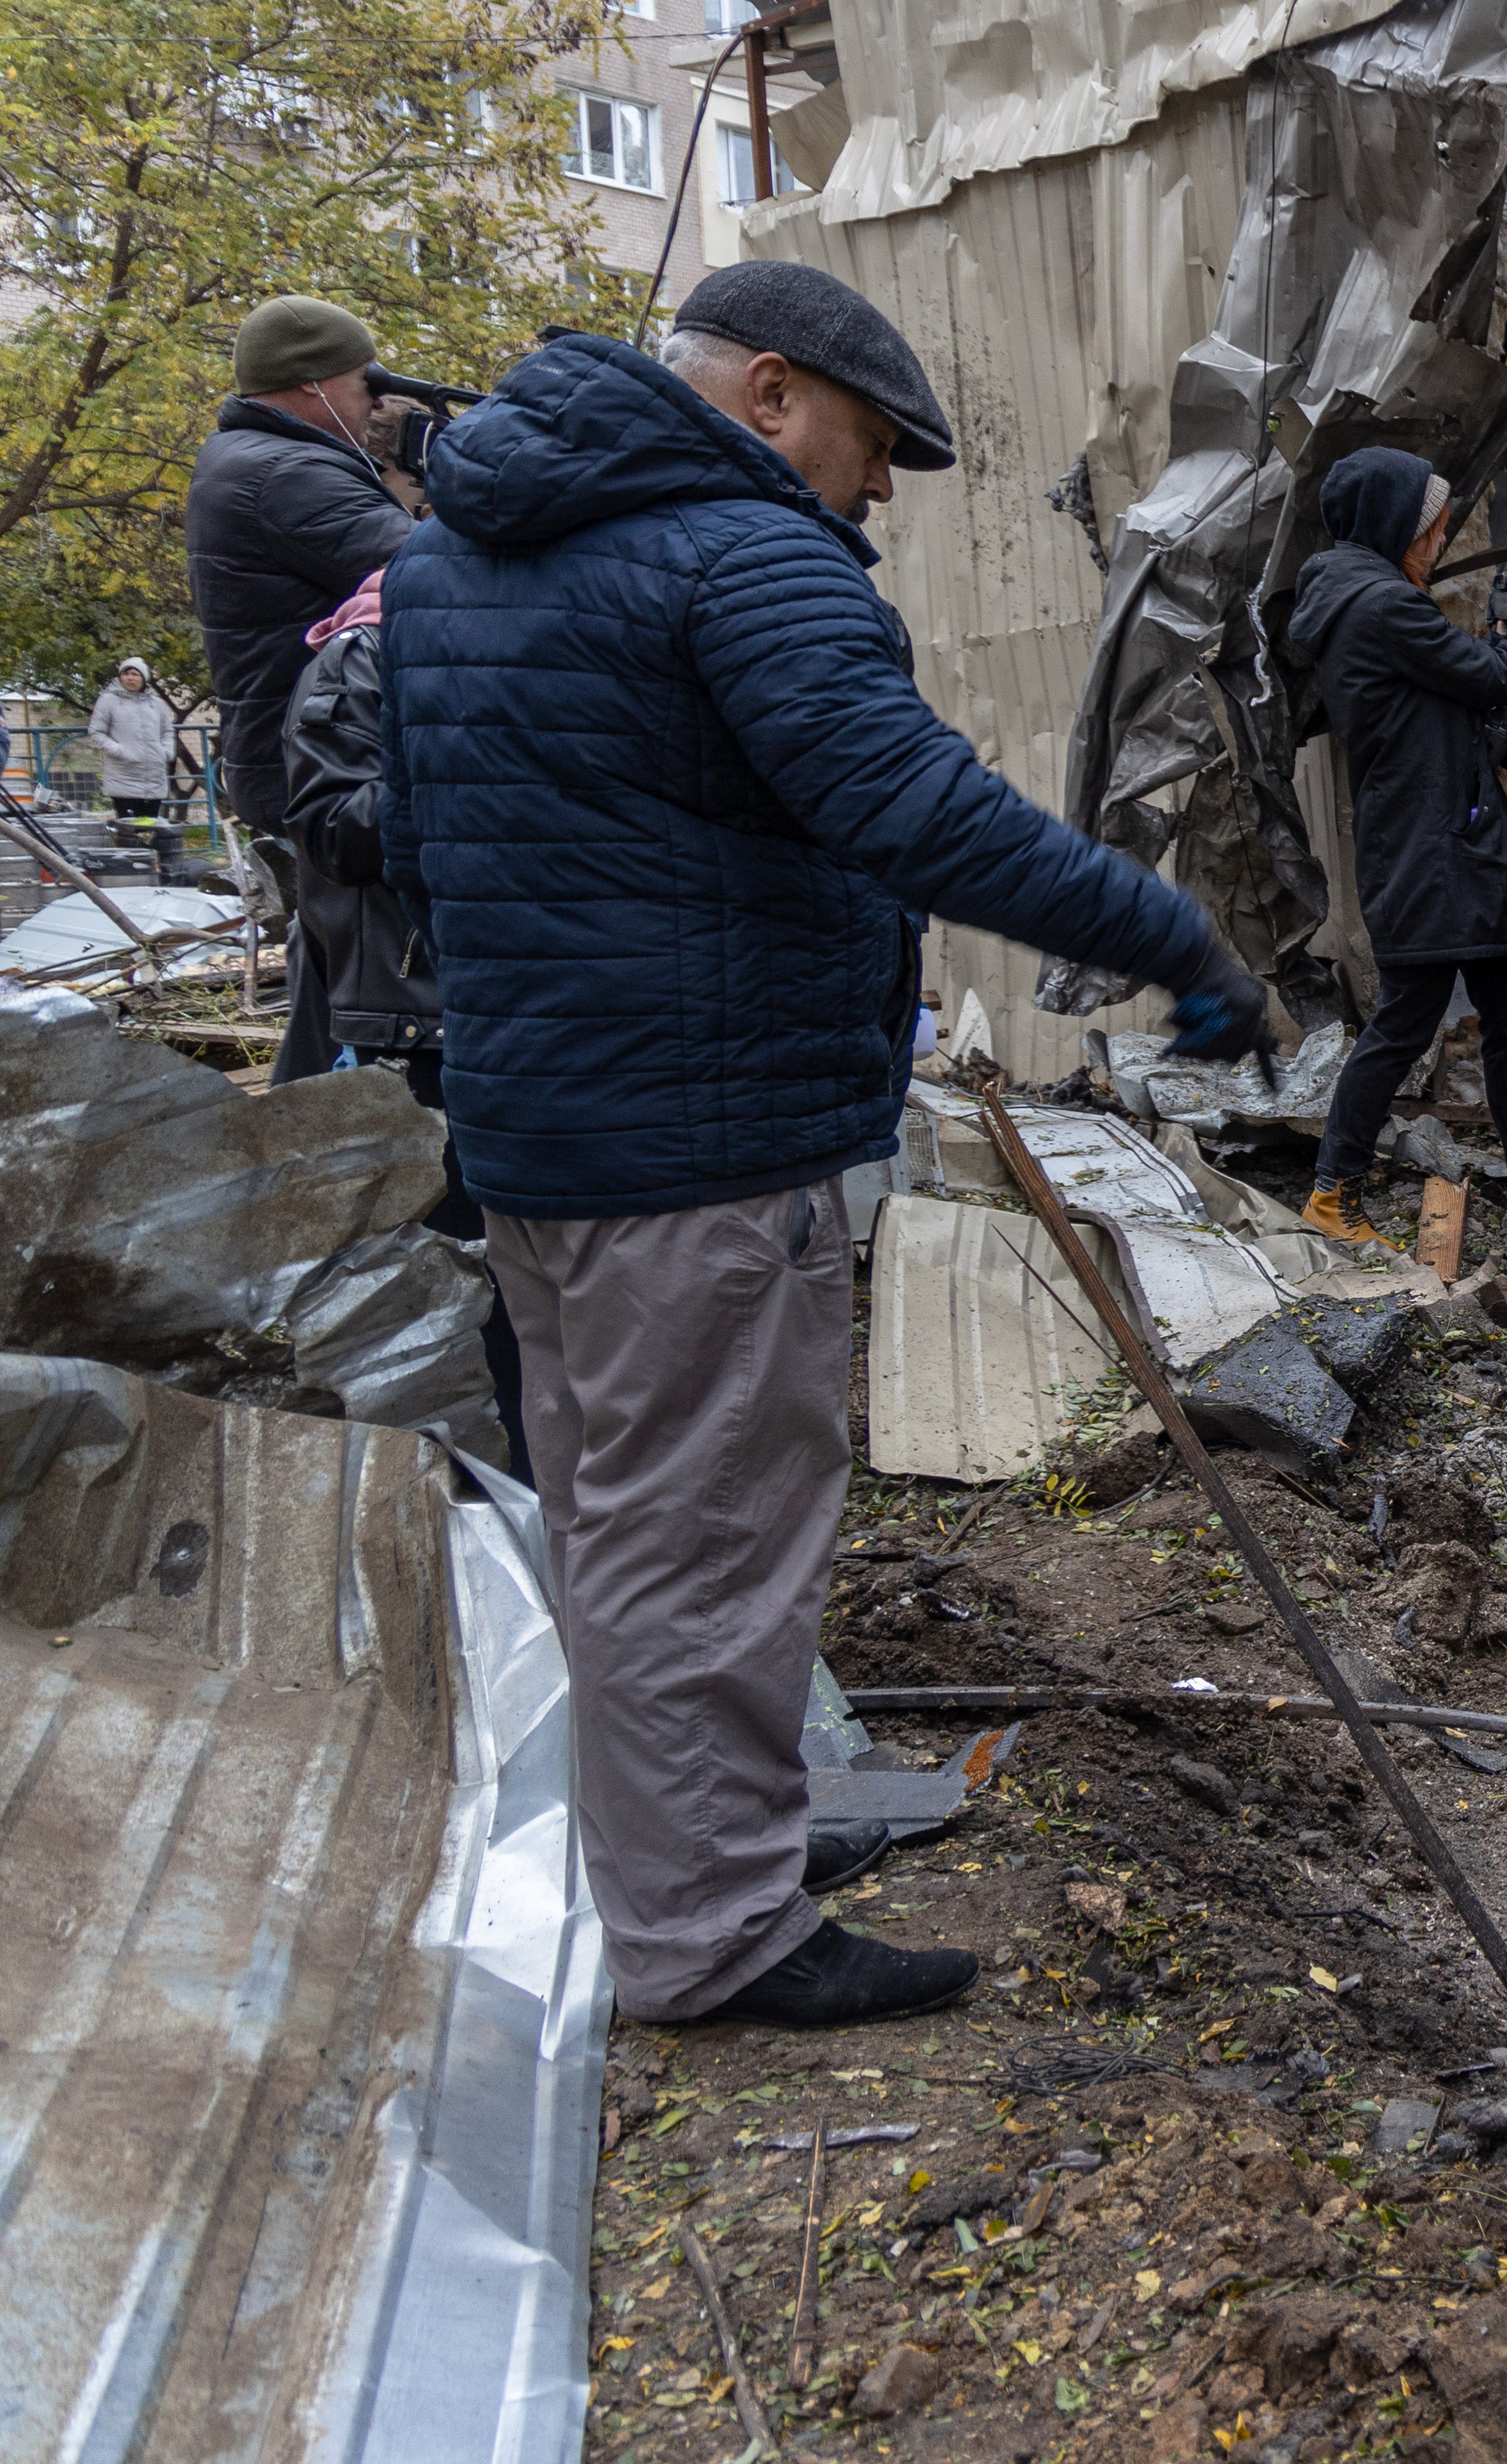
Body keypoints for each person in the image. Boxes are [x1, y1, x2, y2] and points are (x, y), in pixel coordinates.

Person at [380, 259, 1274, 2034]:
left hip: (547, 1137)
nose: (877, 493)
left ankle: (710, 1858)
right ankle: (715, 1937)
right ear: (774, 392)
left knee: (627, 1526)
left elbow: (408, 845)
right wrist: (1167, 933)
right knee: (706, 1543)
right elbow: (912, 805)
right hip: (697, 1148)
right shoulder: (738, 551)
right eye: (874, 449)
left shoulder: (443, 560)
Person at [1284, 445, 1507, 1254]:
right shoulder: (1380, 604)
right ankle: (1330, 1194)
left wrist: (1502, 634)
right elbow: (1492, 677)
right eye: (1429, 526)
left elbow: (1460, 685)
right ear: (1393, 523)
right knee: (1403, 1025)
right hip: (1432, 850)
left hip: (1458, 843)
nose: (1439, 539)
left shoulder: (1371, 599)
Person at [280, 571, 532, 1480]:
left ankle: (529, 1509)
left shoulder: (537, 644)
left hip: (535, 1025)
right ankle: (462, 1503)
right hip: (419, 1034)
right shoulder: (367, 653)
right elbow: (332, 824)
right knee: (451, 1300)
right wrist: (476, 774)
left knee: (530, 1301)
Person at [188, 295, 415, 1078]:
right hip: (329, 776)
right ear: (315, 386)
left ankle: (308, 1146)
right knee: (353, 992)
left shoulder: (256, 460)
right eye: (366, 383)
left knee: (326, 980)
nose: (377, 402)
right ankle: (327, 1158)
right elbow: (431, 572)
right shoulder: (287, 474)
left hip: (296, 769)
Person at [85, 657, 181, 871]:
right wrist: (119, 751)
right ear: (120, 677)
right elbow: (96, 733)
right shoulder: (108, 701)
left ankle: (150, 869)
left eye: (135, 674)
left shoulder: (155, 704)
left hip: (154, 776)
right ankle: (129, 870)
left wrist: (166, 752)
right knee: (129, 829)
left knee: (150, 828)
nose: (130, 678)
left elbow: (167, 730)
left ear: (144, 678)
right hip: (124, 776)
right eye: (126, 673)